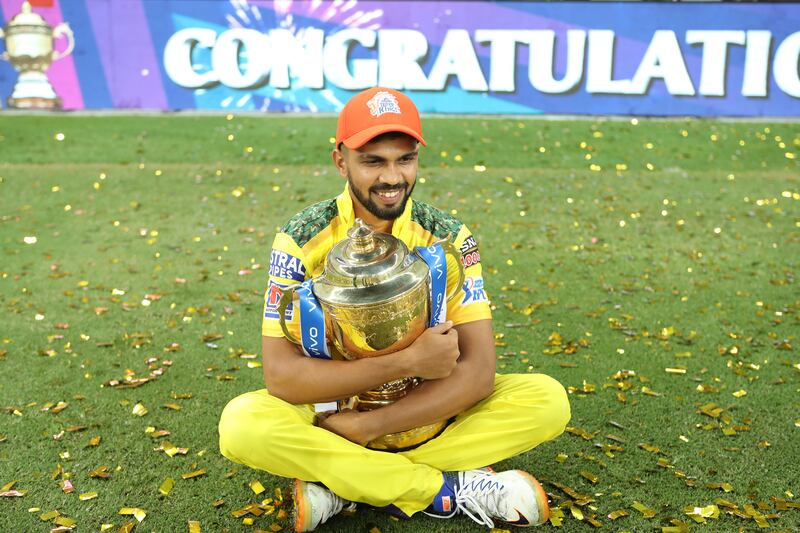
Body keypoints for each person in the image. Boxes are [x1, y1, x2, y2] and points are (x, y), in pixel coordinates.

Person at [219, 87, 571, 531]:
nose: (392, 177)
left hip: (422, 412)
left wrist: (372, 426)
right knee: (242, 425)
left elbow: (478, 372)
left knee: (546, 400)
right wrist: (406, 361)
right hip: (333, 411)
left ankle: (341, 481)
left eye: (404, 159)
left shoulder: (447, 237)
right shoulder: (301, 238)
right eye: (373, 161)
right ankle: (445, 488)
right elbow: (282, 377)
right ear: (340, 161)